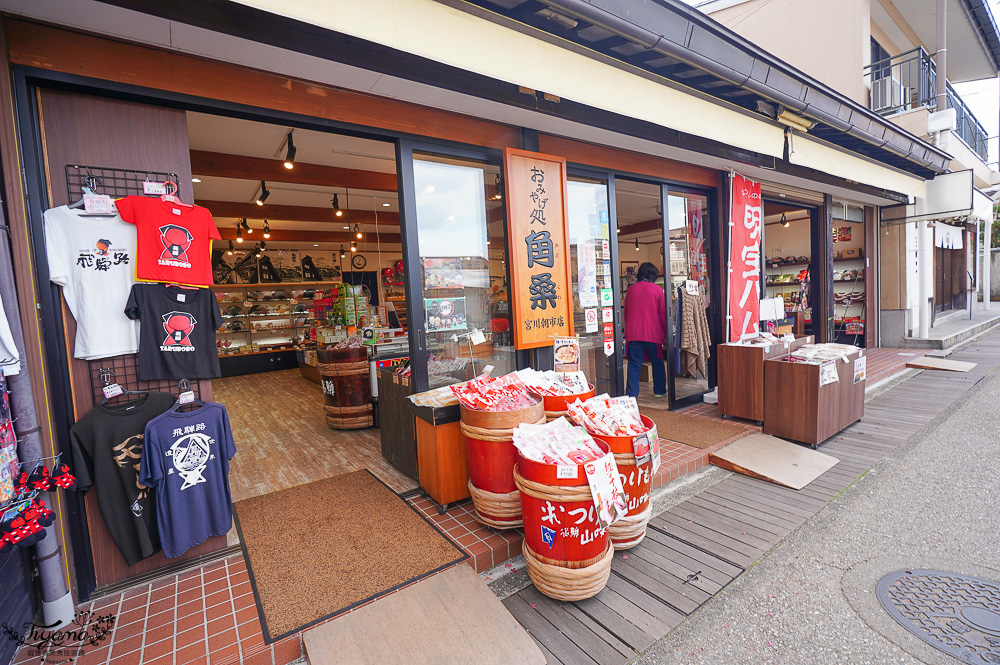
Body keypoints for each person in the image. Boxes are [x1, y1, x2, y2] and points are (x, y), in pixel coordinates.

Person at [624, 262, 666, 398]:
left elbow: (626, 313)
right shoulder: (658, 290)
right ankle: (659, 391)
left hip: (634, 332)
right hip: (653, 334)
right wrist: (665, 333)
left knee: (634, 364)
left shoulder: (630, 290)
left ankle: (632, 394)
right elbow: (663, 314)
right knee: (657, 362)